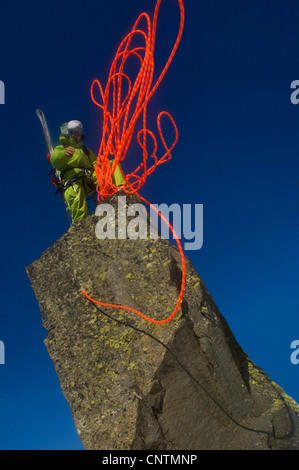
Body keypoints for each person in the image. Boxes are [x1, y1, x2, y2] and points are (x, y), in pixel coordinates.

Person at [50, 120, 124, 222]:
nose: (76, 135)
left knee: (111, 164)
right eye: (73, 132)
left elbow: (95, 163)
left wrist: (100, 163)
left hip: (88, 178)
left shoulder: (86, 151)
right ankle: (82, 223)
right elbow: (55, 161)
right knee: (76, 193)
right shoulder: (61, 148)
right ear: (68, 134)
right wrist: (64, 154)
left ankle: (121, 189)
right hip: (73, 182)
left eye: (79, 133)